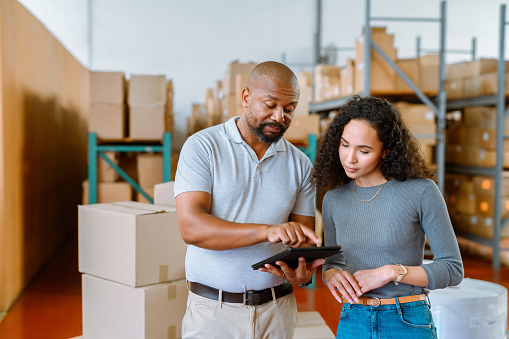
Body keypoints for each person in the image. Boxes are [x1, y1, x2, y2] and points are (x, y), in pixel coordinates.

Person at [174, 61, 324, 339]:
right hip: (213, 314)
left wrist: (302, 274)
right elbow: (191, 228)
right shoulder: (203, 147)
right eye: (270, 105)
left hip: (277, 312)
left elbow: (302, 242)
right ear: (246, 98)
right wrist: (266, 231)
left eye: (289, 109)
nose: (280, 117)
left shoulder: (300, 164)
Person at [312, 95, 464, 339]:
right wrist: (331, 275)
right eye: (344, 145)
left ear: (386, 151)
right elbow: (334, 262)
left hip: (407, 320)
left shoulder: (421, 191)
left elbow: (452, 269)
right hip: (354, 319)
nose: (349, 158)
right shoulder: (333, 199)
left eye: (364, 150)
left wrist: (391, 272)